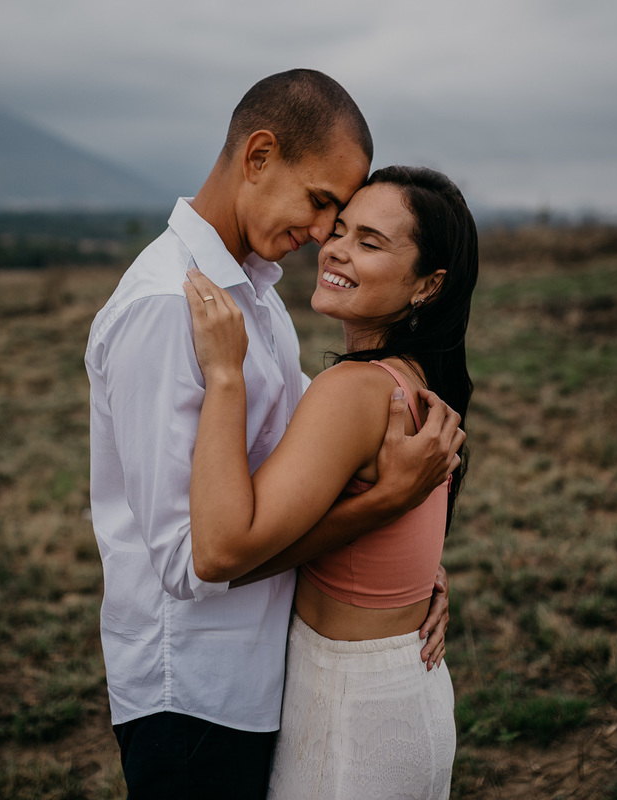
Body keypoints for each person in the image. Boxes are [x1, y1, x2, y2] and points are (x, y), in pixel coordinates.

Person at [84, 70, 462, 800]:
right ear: (258, 156)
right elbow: (192, 562)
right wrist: (381, 506)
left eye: (341, 217)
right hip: (194, 694)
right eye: (321, 203)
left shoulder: (255, 293)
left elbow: (309, 466)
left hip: (264, 675)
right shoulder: (168, 306)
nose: (324, 234)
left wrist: (404, 574)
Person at [183, 164, 478, 799]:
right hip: (404, 689)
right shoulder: (413, 378)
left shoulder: (353, 390)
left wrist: (225, 376)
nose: (336, 248)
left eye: (370, 242)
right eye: (339, 229)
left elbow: (221, 553)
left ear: (428, 285)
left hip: (351, 707)